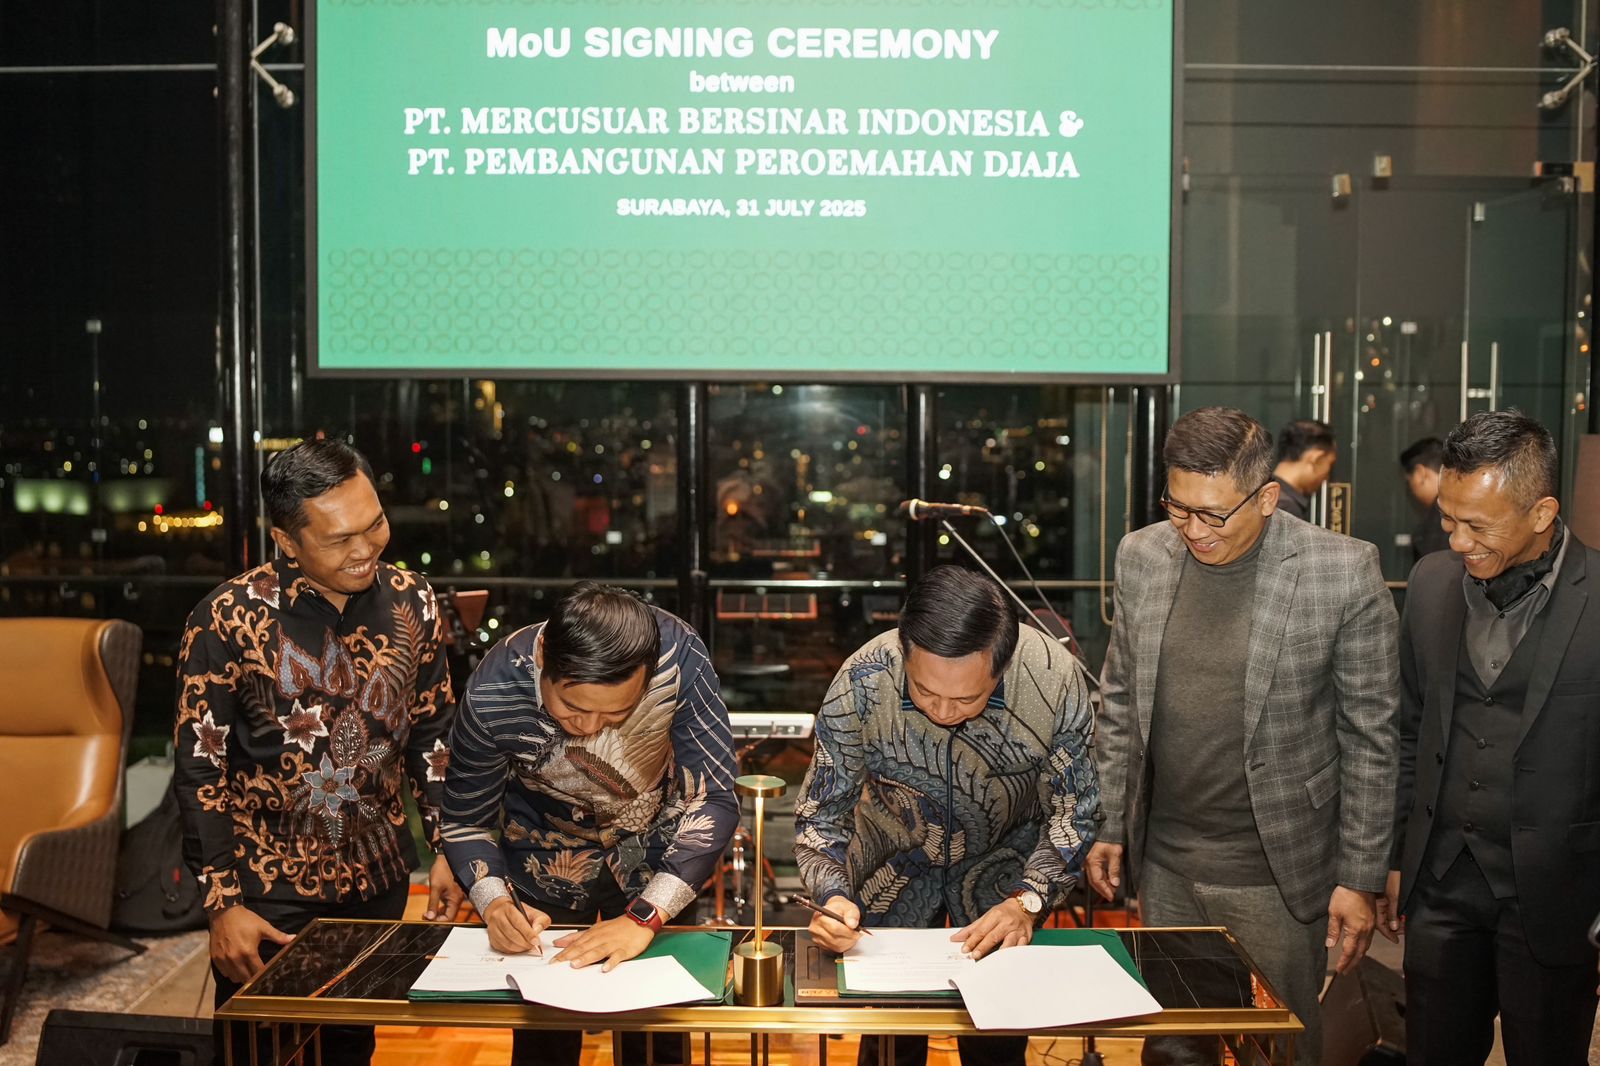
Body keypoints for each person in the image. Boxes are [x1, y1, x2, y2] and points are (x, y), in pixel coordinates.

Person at [1087, 406, 1398, 1066]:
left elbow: (1371, 737)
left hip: (1277, 875)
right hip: (1167, 867)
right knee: (1175, 1048)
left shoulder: (1341, 570)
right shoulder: (1143, 555)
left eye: (1213, 514)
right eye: (1179, 508)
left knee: (1276, 1049)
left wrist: (1360, 877)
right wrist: (1110, 822)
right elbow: (1120, 701)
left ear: (1266, 497)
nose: (1194, 530)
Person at [173, 437, 463, 1066]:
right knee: (261, 1050)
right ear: (287, 540)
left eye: (375, 524)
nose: (365, 549)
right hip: (267, 890)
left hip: (380, 878)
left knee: (351, 1046)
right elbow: (200, 769)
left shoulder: (413, 599)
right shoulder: (225, 618)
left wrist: (449, 848)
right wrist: (223, 904)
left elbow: (433, 733)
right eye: (339, 539)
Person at [795, 564, 1099, 1066]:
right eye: (924, 692)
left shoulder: (1052, 678)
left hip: (1005, 871)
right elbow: (821, 814)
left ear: (1002, 667)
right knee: (890, 1043)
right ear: (904, 649)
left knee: (998, 1044)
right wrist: (831, 896)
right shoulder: (861, 680)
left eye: (966, 698)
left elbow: (1076, 810)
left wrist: (1029, 900)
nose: (942, 711)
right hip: (892, 867)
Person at [441, 581, 739, 1066]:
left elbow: (714, 797)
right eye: (574, 709)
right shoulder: (494, 691)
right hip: (544, 854)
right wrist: (495, 904)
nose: (592, 727)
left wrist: (647, 916)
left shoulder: (678, 655)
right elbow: (464, 822)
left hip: (659, 853)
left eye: (617, 713)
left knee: (657, 1030)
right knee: (544, 1034)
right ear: (544, 656)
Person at [1381, 410, 1600, 1065]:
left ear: (1542, 513)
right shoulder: (1430, 585)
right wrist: (1396, 858)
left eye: (1478, 525)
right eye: (1449, 519)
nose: (1457, 541)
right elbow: (1409, 732)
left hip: (1558, 895)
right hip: (1441, 887)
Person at [1270, 418, 1338, 521]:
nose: (1327, 477)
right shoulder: (1285, 508)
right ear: (1317, 459)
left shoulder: (1264, 494)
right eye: (1330, 464)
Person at [1399, 436, 1452, 561]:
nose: (1411, 489)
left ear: (1420, 473)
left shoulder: (1438, 520)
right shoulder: (1465, 506)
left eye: (1409, 481)